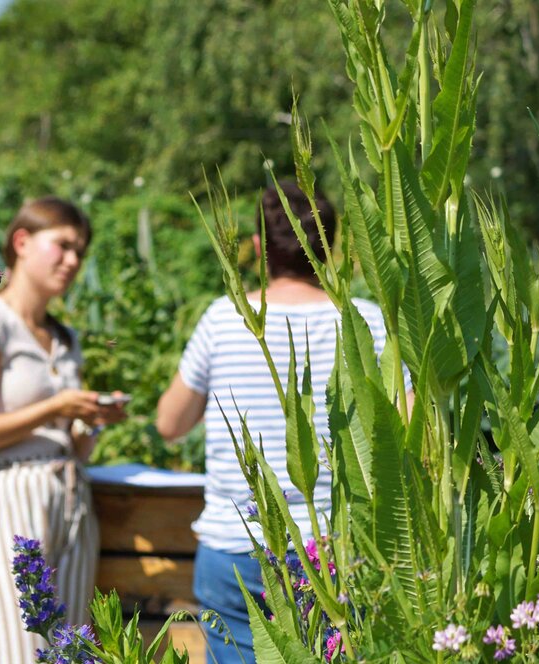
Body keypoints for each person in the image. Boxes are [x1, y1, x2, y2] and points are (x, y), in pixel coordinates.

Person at [155, 180, 396, 664]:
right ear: (328, 246)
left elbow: (170, 423)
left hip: (236, 544)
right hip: (336, 546)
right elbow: (410, 430)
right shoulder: (363, 320)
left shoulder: (224, 319)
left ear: (260, 247)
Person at [0, 196, 126, 663]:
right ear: (22, 241)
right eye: (63, 245)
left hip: (69, 494)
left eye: (80, 252)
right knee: (18, 654)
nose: (72, 260)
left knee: (73, 653)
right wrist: (55, 406)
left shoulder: (66, 337)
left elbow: (75, 447)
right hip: (3, 492)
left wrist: (91, 420)